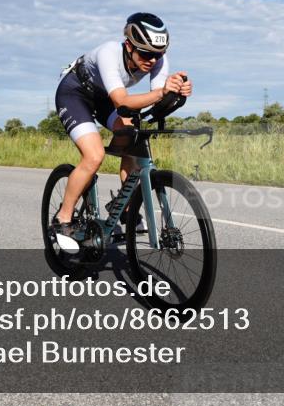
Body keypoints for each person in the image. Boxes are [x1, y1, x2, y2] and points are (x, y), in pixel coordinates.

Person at [52, 13, 191, 248]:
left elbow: (156, 102)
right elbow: (122, 101)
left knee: (133, 141)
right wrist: (161, 92)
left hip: (106, 98)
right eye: (145, 53)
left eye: (158, 55)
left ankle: (125, 207)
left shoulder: (158, 61)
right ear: (128, 45)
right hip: (76, 94)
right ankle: (63, 218)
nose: (152, 60)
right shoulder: (109, 53)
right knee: (94, 156)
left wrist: (177, 92)